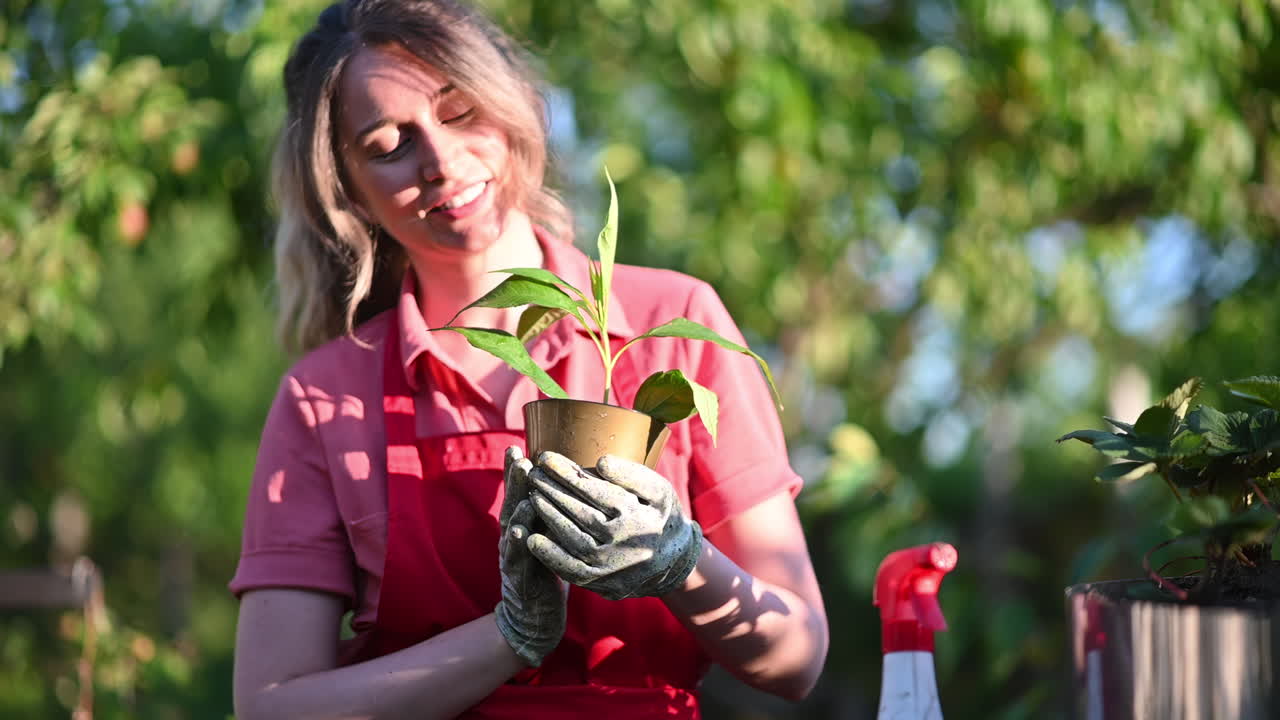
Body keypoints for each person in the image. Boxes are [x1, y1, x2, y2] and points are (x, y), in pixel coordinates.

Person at [229, 0, 829, 717]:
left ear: (512, 104)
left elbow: (797, 655)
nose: (443, 163)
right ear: (345, 188)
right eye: (389, 144)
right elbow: (271, 706)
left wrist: (678, 560)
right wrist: (509, 637)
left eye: (459, 112)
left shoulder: (669, 328)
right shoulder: (326, 396)